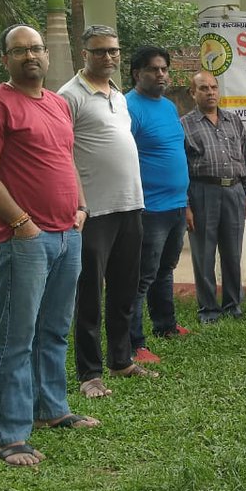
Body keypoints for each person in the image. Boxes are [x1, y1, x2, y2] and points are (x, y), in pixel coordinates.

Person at [0, 24, 98, 469]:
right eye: (20, 50)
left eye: (37, 49)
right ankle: (10, 436)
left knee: (54, 330)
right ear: (5, 59)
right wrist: (21, 222)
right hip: (24, 240)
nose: (31, 56)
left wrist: (80, 208)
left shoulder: (59, 103)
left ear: (47, 55)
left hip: (68, 234)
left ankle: (51, 409)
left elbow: (66, 159)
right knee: (16, 337)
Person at [59, 25, 149, 398]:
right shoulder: (69, 96)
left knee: (125, 289)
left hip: (131, 205)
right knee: (90, 292)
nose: (108, 57)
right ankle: (89, 373)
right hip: (94, 211)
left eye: (113, 50)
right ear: (85, 55)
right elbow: (62, 154)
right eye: (99, 51)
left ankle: (121, 359)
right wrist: (79, 203)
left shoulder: (118, 95)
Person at [127, 46, 191, 352]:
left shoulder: (168, 106)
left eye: (164, 68)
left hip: (176, 204)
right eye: (154, 69)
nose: (161, 74)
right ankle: (134, 342)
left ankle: (165, 326)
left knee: (166, 269)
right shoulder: (129, 107)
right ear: (138, 74)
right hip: (148, 208)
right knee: (141, 277)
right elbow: (123, 157)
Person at [182, 71, 246, 322]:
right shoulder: (184, 125)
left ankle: (233, 306)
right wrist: (186, 206)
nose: (211, 92)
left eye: (214, 87)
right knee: (203, 254)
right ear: (193, 93)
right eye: (203, 88)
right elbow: (180, 167)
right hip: (202, 192)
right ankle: (209, 310)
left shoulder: (233, 121)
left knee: (232, 253)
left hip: (234, 192)